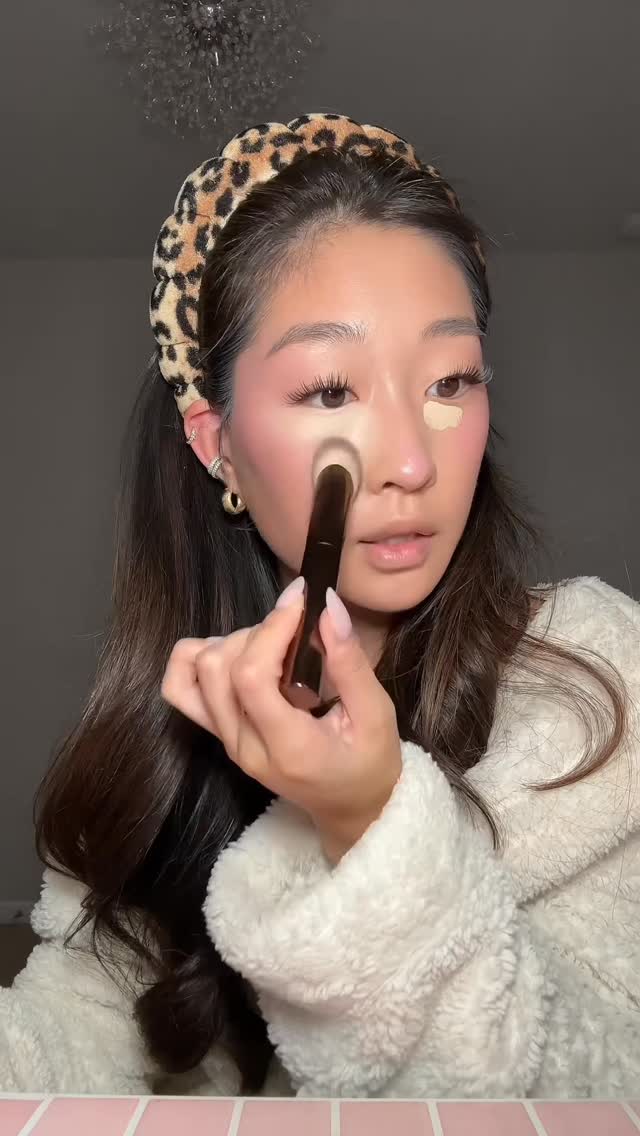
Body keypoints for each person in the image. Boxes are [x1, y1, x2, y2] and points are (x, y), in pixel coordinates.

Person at [1, 112, 638, 1100]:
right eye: (331, 390)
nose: (411, 461)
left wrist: (369, 820)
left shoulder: (597, 683)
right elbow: (69, 1035)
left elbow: (603, 1084)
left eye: (450, 381)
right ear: (218, 444)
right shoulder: (169, 735)